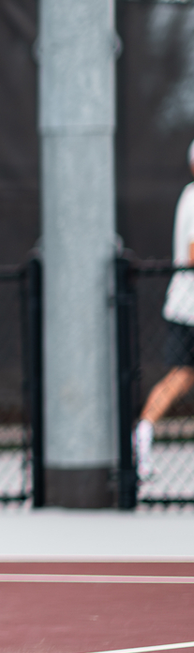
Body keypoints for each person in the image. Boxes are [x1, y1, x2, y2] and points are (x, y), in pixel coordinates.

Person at [135, 141, 194, 483]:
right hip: (189, 306)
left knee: (182, 376)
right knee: (180, 377)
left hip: (182, 304)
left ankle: (141, 438)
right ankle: (141, 439)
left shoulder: (187, 196)